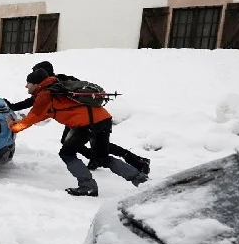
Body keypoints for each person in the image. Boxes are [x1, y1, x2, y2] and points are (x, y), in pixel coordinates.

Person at [12, 67, 149, 196]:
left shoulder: (46, 94)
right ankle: (142, 181)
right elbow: (44, 114)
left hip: (86, 124)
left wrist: (13, 128)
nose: (26, 86)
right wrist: (19, 122)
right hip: (103, 119)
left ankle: (87, 186)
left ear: (36, 84)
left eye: (28, 83)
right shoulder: (57, 87)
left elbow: (33, 117)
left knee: (67, 153)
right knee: (103, 157)